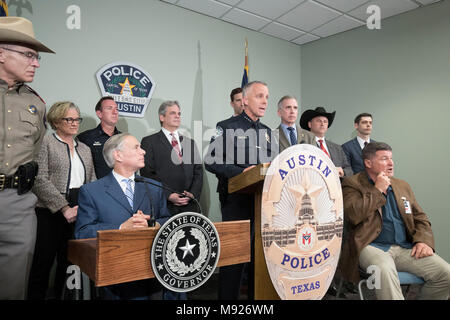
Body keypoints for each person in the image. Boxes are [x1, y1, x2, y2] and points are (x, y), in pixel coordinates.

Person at [340, 142, 450, 299]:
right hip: (370, 246)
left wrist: (423, 241)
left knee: (446, 274)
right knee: (384, 270)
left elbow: (420, 218)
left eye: (391, 158)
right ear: (368, 163)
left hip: (404, 248)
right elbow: (353, 215)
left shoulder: (402, 185)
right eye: (384, 159)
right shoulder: (352, 184)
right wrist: (377, 190)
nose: (391, 163)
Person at [74, 133, 171, 299]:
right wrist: (120, 228)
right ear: (117, 155)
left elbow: (166, 220)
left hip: (154, 274)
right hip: (116, 278)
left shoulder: (154, 187)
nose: (144, 152)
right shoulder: (91, 191)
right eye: (136, 147)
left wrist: (155, 226)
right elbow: (82, 232)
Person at [205, 80, 276, 300]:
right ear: (244, 100)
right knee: (235, 260)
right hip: (236, 201)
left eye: (267, 96)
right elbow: (211, 160)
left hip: (262, 202)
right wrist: (241, 172)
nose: (265, 101)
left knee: (260, 259)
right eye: (259, 96)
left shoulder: (267, 132)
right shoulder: (226, 126)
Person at [0, 16, 54, 300]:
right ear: (1, 53)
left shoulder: (36, 103)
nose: (36, 63)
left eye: (36, 57)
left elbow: (33, 152)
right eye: (29, 55)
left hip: (17, 204)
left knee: (12, 288)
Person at [28, 101, 96, 300]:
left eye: (77, 119)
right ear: (56, 121)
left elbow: (91, 181)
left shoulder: (84, 148)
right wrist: (64, 208)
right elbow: (39, 179)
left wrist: (83, 208)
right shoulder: (46, 143)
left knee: (68, 265)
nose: (75, 123)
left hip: (79, 210)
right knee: (43, 264)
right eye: (70, 119)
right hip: (50, 212)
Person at [140, 100, 203, 215]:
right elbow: (147, 173)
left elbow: (198, 172)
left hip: (189, 205)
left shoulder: (190, 143)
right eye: (173, 113)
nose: (177, 116)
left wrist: (192, 194)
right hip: (164, 205)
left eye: (179, 114)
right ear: (162, 117)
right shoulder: (149, 142)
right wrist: (167, 195)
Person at [300, 106, 353, 178]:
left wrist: (342, 172)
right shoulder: (303, 146)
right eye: (318, 121)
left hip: (335, 187)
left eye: (325, 121)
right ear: (310, 124)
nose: (322, 124)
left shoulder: (337, 148)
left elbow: (349, 170)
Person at [77, 96, 121, 179]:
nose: (115, 112)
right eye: (109, 108)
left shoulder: (124, 139)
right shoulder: (85, 138)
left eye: (117, 109)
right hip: (95, 188)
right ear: (99, 113)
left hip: (121, 188)